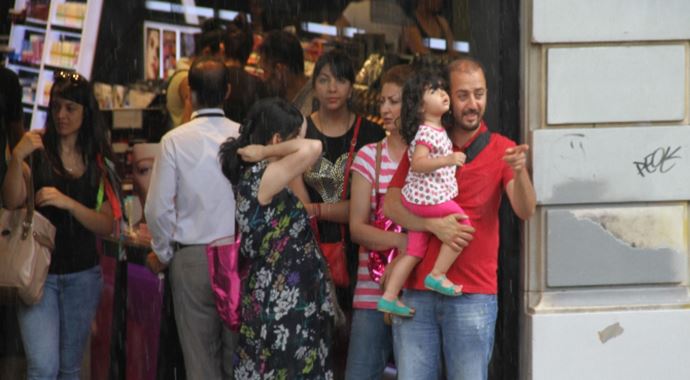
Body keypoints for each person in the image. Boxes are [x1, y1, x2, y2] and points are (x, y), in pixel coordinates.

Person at [383, 57, 536, 379]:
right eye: (463, 95)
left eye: (479, 94)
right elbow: (392, 206)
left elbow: (525, 210)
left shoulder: (501, 149)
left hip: (473, 295)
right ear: (445, 98)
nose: (472, 104)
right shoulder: (426, 143)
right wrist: (430, 224)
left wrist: (520, 172)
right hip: (417, 293)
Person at [2, 70, 117, 379]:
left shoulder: (99, 159)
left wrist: (69, 204)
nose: (62, 115)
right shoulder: (37, 150)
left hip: (83, 275)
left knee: (69, 368)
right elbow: (12, 201)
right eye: (56, 107)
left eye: (70, 108)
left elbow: (107, 224)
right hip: (38, 274)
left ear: (85, 111)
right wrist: (16, 159)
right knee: (43, 366)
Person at [218, 98, 335, 379]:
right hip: (282, 302)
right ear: (277, 140)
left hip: (286, 295)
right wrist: (265, 152)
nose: (302, 142)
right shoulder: (262, 174)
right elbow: (313, 148)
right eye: (296, 137)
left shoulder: (265, 176)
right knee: (286, 369)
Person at [144, 57, 239, 379]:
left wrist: (164, 252)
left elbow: (157, 209)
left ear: (191, 94)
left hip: (192, 257)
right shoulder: (243, 138)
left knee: (199, 363)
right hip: (237, 257)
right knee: (237, 360)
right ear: (228, 91)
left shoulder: (173, 141)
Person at [301, 49, 385, 378]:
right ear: (314, 86)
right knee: (312, 348)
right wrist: (344, 210)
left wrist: (318, 209)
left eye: (340, 80)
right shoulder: (301, 132)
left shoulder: (371, 136)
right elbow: (296, 205)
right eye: (323, 80)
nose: (332, 88)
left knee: (352, 349)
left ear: (352, 87)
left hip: (358, 256)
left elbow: (370, 207)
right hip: (310, 255)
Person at [377, 69, 469, 317]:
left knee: (414, 251)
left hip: (419, 198)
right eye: (434, 91)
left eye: (443, 88)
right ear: (419, 106)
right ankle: (438, 274)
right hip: (427, 197)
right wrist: (448, 159)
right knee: (463, 223)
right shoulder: (427, 132)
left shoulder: (435, 130)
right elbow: (418, 163)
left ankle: (389, 296)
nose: (443, 94)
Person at [345, 64, 412, 380]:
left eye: (394, 101)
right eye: (382, 101)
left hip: (417, 294)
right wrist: (403, 242)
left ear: (412, 104)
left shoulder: (431, 156)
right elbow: (357, 228)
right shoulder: (368, 156)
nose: (384, 109)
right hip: (371, 294)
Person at [222, 12, 267, 123]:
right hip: (245, 139)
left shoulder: (213, 77)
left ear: (223, 48)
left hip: (210, 138)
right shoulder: (258, 85)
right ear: (250, 51)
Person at [257, 30, 313, 117]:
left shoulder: (309, 113)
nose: (263, 79)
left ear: (280, 71)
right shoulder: (288, 99)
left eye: (265, 71)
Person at [335, 0, 410, 53]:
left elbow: (337, 35)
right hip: (388, 67)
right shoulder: (400, 13)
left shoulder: (355, 9)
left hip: (359, 65)